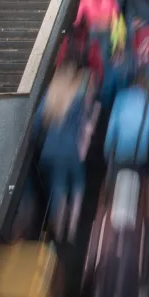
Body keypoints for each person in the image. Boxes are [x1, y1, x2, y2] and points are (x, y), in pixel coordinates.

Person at [31, 63, 98, 243]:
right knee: (77, 186)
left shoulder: (48, 97)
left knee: (57, 189)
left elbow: (36, 125)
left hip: (50, 150)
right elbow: (83, 124)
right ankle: (72, 230)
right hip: (71, 149)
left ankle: (59, 232)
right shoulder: (77, 99)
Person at [104, 72, 149, 178]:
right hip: (139, 157)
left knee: (115, 183)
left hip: (119, 155)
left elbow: (112, 127)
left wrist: (107, 150)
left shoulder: (120, 97)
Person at [74, 0, 120, 66]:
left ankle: (92, 68)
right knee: (103, 53)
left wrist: (77, 23)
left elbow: (80, 12)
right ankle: (102, 70)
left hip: (93, 28)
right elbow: (115, 13)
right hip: (106, 28)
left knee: (93, 50)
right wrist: (114, 30)